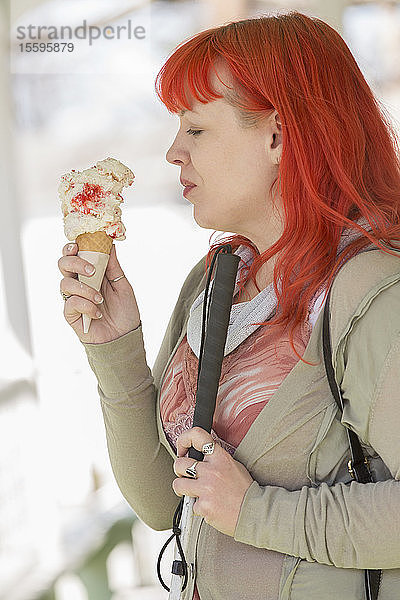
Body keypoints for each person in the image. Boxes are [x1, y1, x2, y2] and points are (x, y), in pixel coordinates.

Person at [58, 11, 400, 600]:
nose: (172, 152)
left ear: (277, 136)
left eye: (195, 129)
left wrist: (256, 512)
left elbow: (237, 510)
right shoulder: (215, 281)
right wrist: (115, 347)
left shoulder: (370, 292)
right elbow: (164, 504)